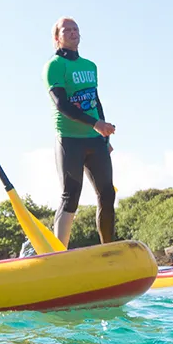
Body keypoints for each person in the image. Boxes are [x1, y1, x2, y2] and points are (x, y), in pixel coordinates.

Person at [43, 17, 116, 247]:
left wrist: (102, 130)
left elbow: (95, 100)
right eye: (67, 29)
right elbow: (61, 104)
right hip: (69, 140)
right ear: (57, 37)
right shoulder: (54, 65)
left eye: (76, 29)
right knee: (70, 196)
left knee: (107, 194)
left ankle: (108, 251)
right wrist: (95, 124)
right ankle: (58, 255)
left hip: (95, 141)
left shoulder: (90, 66)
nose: (73, 32)